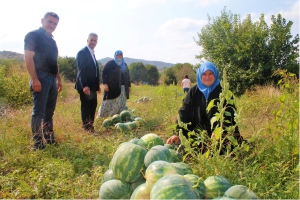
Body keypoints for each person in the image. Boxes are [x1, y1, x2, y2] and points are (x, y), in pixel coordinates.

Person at [167, 62, 243, 153]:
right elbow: (184, 112)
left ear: (215, 74)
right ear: (200, 75)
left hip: (219, 135)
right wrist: (177, 133)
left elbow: (229, 113)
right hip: (198, 136)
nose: (207, 77)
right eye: (204, 74)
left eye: (210, 74)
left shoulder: (224, 91)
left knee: (225, 150)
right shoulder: (193, 92)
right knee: (184, 148)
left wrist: (219, 131)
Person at [24, 12, 62, 150]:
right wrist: (34, 78)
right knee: (38, 112)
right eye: (50, 22)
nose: (52, 25)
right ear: (42, 20)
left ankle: (49, 138)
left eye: (55, 23)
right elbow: (28, 58)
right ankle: (38, 143)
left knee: (49, 112)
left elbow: (54, 62)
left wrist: (59, 79)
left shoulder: (52, 41)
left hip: (52, 79)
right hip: (40, 77)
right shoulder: (33, 36)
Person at [75, 33, 101, 132]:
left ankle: (90, 125)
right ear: (87, 40)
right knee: (86, 106)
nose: (93, 42)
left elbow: (95, 70)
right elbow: (81, 71)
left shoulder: (92, 53)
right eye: (91, 40)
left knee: (93, 105)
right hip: (86, 85)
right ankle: (86, 127)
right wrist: (84, 86)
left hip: (93, 86)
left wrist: (97, 85)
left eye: (95, 40)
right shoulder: (82, 52)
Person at [98, 50, 131, 117]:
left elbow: (128, 76)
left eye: (120, 55)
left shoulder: (124, 64)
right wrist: (105, 84)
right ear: (115, 56)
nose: (119, 56)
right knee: (109, 101)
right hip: (112, 86)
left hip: (123, 88)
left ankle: (118, 116)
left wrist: (129, 86)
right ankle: (104, 116)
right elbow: (103, 73)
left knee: (121, 103)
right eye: (117, 55)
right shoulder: (110, 63)